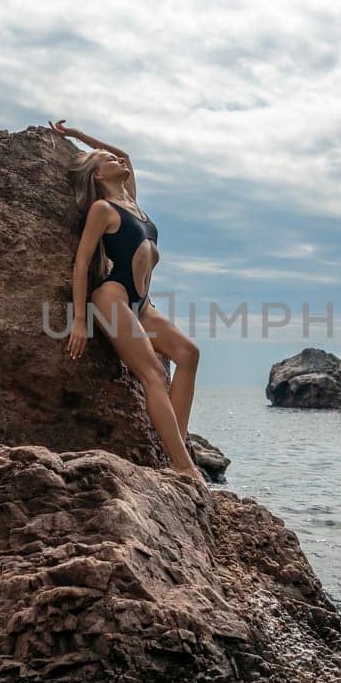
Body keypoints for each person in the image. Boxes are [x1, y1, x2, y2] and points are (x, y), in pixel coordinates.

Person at [55, 119, 204, 483]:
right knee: (152, 371)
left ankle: (176, 450)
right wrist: (78, 320)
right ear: (97, 173)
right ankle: (184, 468)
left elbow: (126, 154)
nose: (118, 161)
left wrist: (79, 136)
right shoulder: (103, 209)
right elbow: (81, 263)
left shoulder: (131, 202)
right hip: (111, 296)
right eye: (108, 160)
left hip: (143, 303)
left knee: (188, 354)